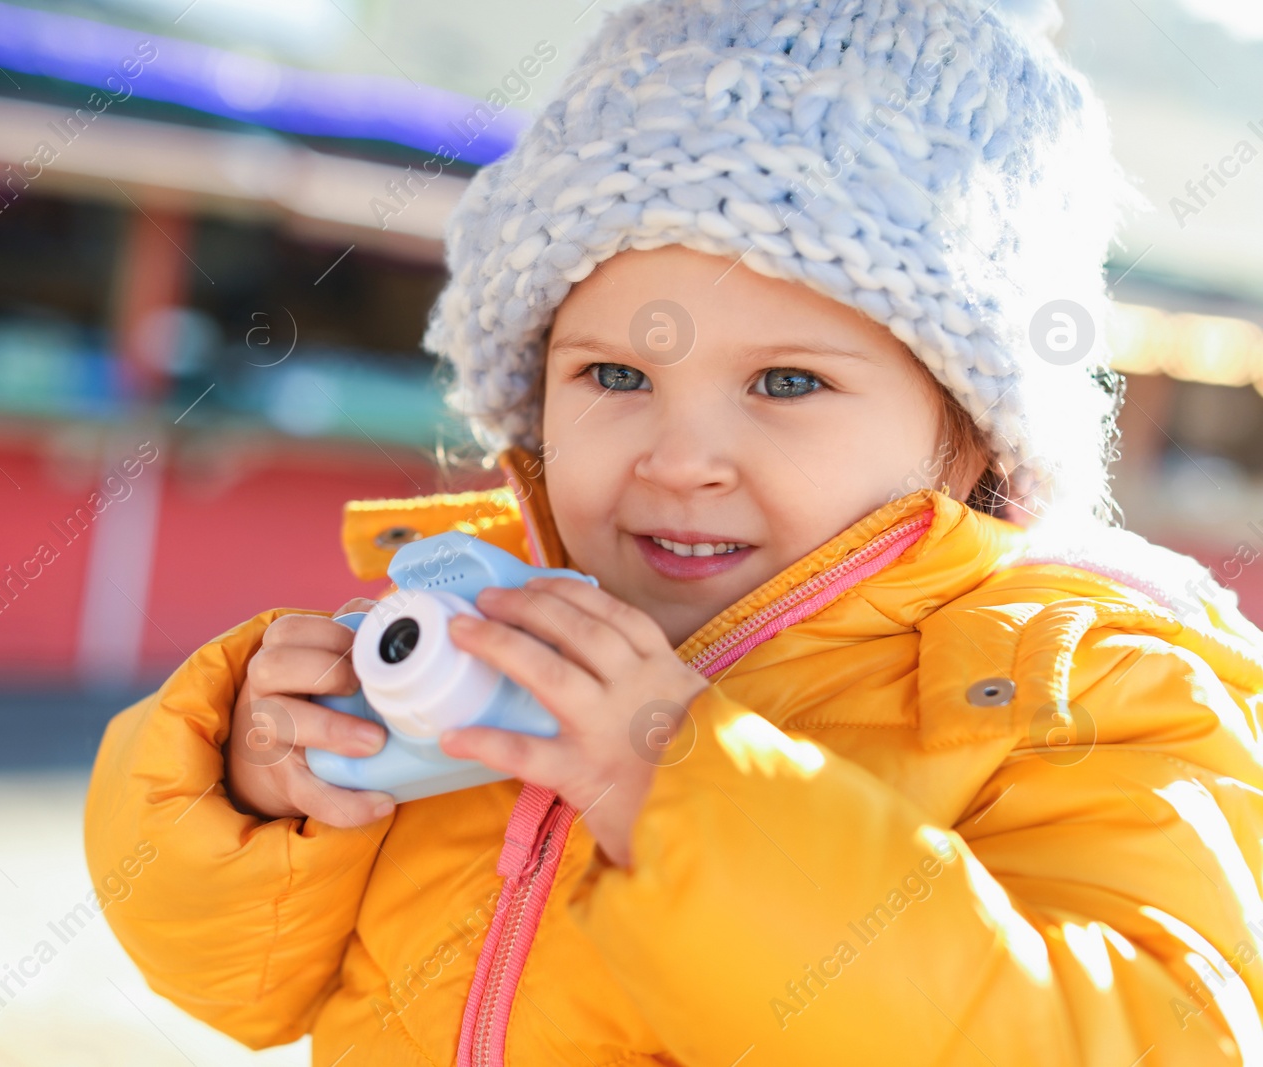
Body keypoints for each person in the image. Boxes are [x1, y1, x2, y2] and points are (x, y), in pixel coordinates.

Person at [85, 0, 1263, 1061]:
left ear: (970, 436)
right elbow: (241, 984)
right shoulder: (475, 620)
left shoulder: (1078, 694)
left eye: (788, 382)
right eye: (613, 372)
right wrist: (250, 789)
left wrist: (687, 788)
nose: (680, 459)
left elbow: (1148, 1036)